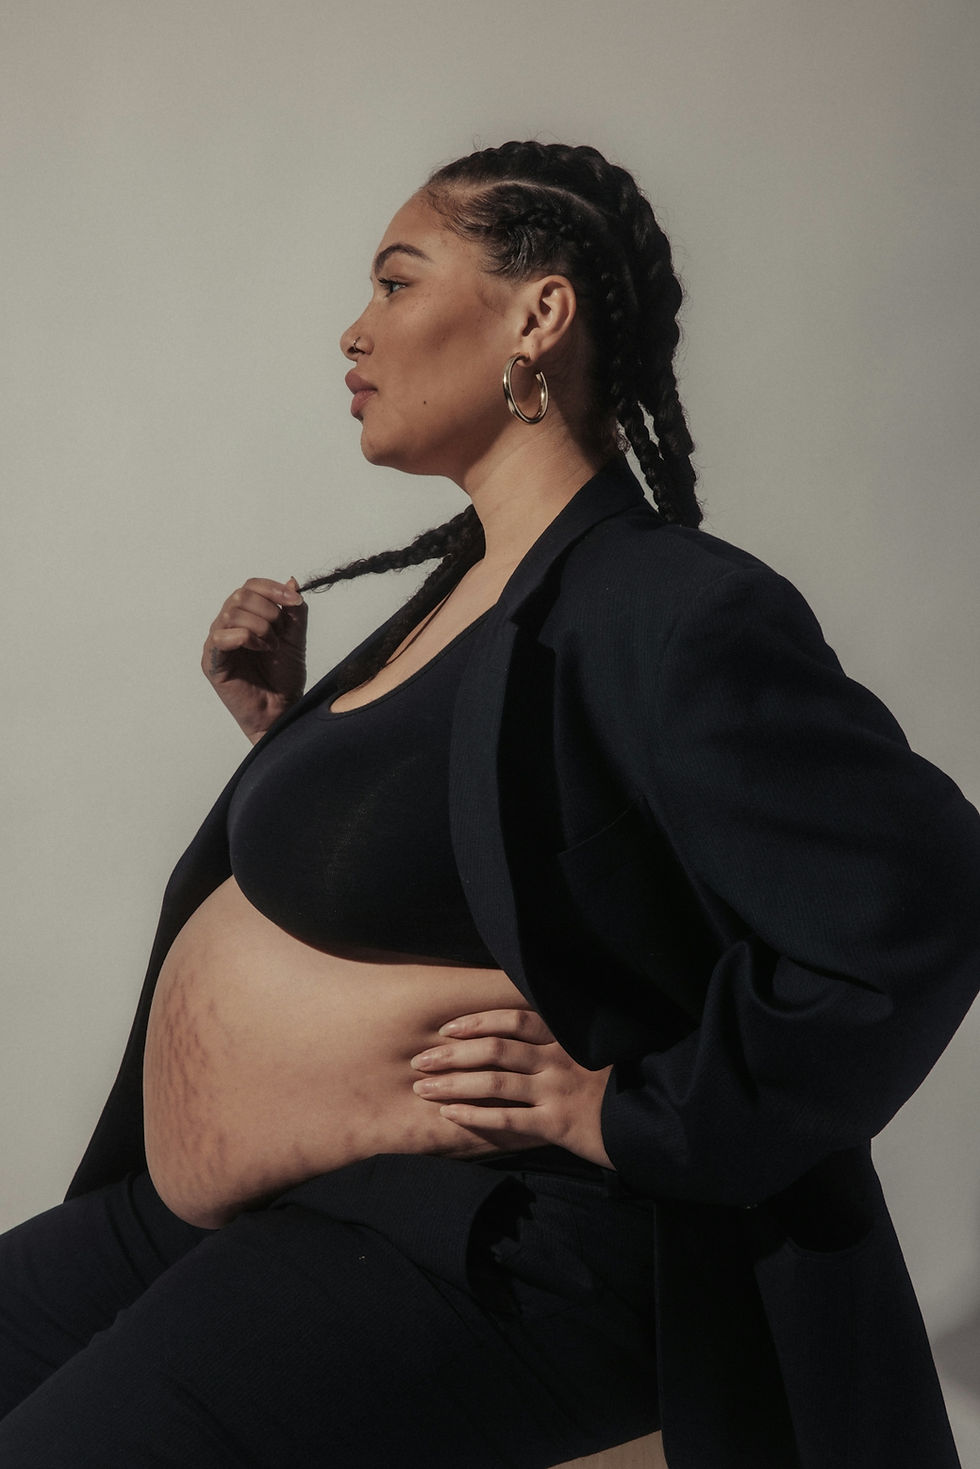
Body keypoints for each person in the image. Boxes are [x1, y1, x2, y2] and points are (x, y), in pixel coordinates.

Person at [0, 140, 976, 1469]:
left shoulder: (669, 605)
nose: (356, 329)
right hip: (255, 1205)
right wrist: (287, 738)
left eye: (398, 282)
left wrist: (631, 1107)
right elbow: (451, 864)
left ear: (538, 314)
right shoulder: (451, 595)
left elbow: (918, 905)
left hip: (483, 1232)